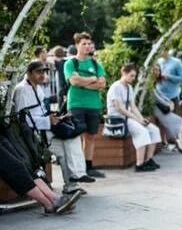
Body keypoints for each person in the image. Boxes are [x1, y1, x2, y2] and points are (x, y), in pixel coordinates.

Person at [12, 61, 88, 197]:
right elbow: (22, 119)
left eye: (43, 72)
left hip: (45, 130)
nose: (42, 75)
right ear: (29, 73)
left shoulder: (37, 88)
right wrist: (48, 120)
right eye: (38, 72)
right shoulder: (22, 90)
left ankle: (74, 181)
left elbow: (39, 112)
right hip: (33, 136)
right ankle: (74, 180)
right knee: (66, 146)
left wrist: (55, 117)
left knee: (72, 138)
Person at [63, 32, 106, 178]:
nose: (87, 46)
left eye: (89, 44)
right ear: (77, 45)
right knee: (76, 136)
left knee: (91, 136)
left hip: (93, 104)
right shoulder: (70, 63)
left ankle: (88, 166)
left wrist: (83, 83)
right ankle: (77, 168)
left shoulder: (96, 64)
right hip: (76, 104)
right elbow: (73, 82)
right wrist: (91, 79)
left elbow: (102, 84)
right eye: (84, 44)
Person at [107, 64, 161, 172]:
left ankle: (148, 160)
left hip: (128, 117)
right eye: (131, 76)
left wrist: (142, 119)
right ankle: (139, 164)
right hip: (119, 119)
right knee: (142, 132)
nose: (133, 78)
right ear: (124, 73)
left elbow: (133, 106)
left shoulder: (129, 87)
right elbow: (120, 109)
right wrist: (138, 120)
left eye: (134, 76)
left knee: (154, 130)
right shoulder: (115, 87)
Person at [152, 65, 182, 154]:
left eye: (158, 70)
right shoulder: (151, 83)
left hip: (162, 106)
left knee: (177, 121)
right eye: (155, 70)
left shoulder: (159, 81)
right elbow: (156, 97)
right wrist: (167, 103)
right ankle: (177, 141)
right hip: (157, 108)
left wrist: (169, 102)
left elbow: (161, 95)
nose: (157, 72)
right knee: (177, 121)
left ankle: (178, 141)